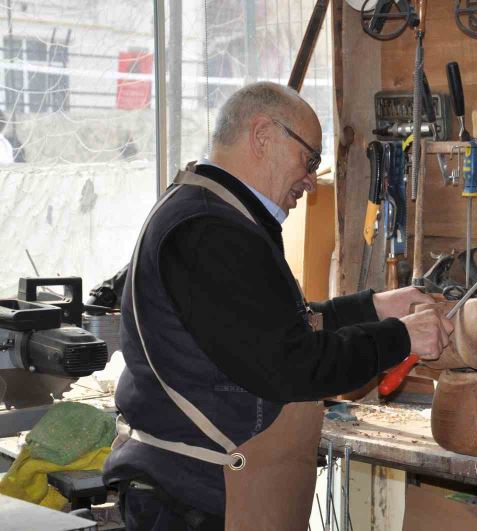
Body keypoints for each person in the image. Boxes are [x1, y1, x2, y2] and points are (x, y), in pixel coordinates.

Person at [103, 82, 454, 530]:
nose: (311, 179)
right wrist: (400, 337)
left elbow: (271, 325)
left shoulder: (214, 213)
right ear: (263, 135)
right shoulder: (211, 231)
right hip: (196, 502)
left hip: (204, 495)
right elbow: (289, 366)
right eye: (309, 160)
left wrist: (376, 308)